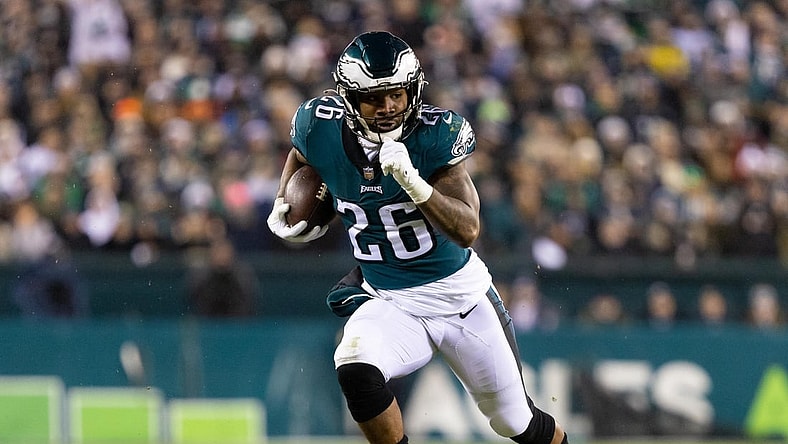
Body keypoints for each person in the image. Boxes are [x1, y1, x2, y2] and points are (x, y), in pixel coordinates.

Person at [267, 31, 568, 444]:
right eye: (374, 98)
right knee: (355, 365)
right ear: (348, 99)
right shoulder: (318, 126)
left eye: (397, 94)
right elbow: (300, 156)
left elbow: (467, 230)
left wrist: (414, 183)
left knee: (515, 422)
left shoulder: (434, 136)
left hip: (459, 299)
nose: (389, 107)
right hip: (390, 299)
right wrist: (283, 200)